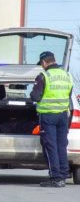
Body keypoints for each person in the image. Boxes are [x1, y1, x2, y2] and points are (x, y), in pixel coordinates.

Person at [30, 51, 73, 188]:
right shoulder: (67, 76)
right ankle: (63, 174)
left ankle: (55, 178)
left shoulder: (44, 76)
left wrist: (32, 92)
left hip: (48, 116)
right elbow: (69, 95)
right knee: (61, 146)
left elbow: (36, 97)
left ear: (44, 62)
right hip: (62, 116)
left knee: (50, 147)